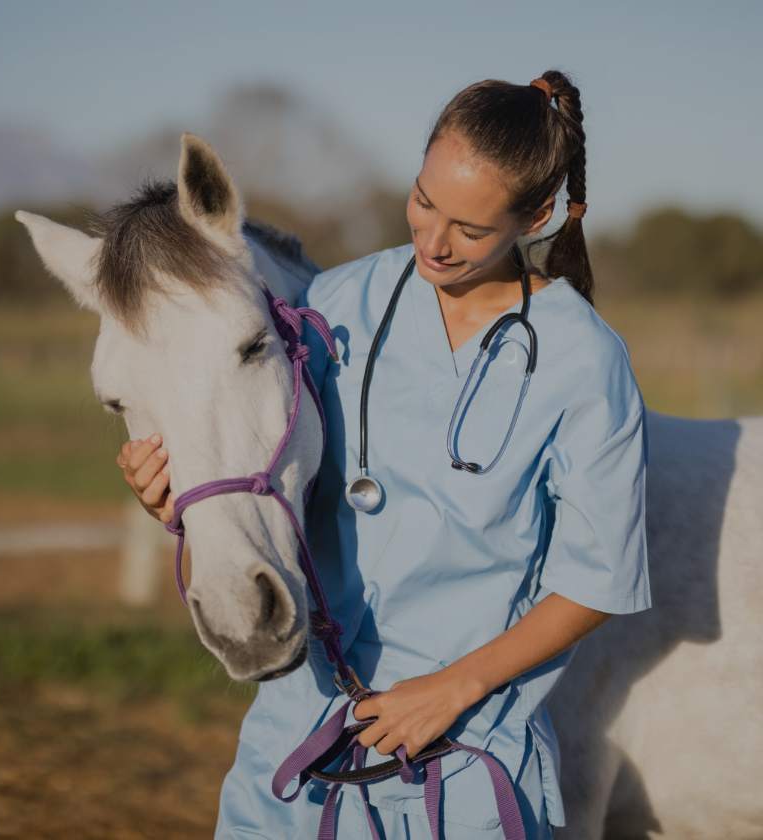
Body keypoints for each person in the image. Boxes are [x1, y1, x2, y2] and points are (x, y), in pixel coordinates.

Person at [117, 70, 652, 839]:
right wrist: (172, 498)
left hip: (463, 751)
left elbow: (597, 580)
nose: (432, 242)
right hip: (300, 740)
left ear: (535, 217)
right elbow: (263, 472)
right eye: (424, 202)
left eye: (468, 229)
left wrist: (452, 688)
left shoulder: (583, 360)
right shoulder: (332, 306)